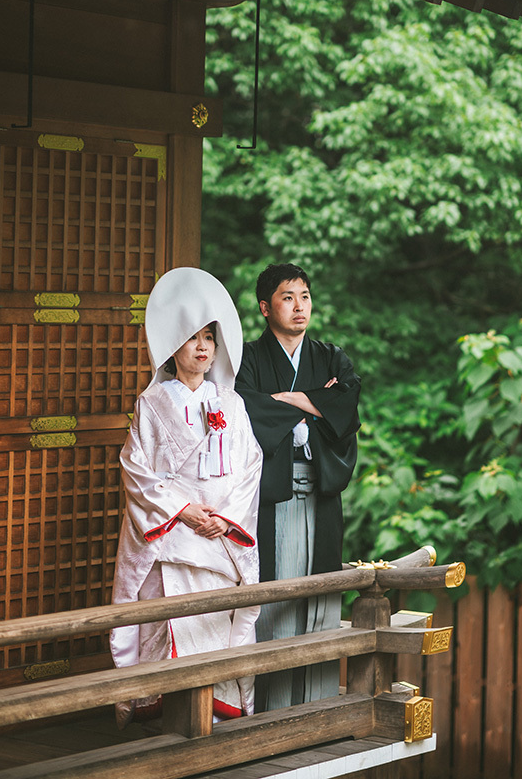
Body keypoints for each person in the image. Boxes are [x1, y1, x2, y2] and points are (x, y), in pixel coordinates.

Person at [110, 268, 263, 727]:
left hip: (219, 538)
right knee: (167, 625)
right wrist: (183, 509)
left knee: (213, 628)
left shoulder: (231, 404)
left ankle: (213, 721)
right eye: (192, 337)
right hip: (171, 538)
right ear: (173, 344)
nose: (202, 346)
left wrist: (228, 518)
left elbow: (250, 465)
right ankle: (162, 723)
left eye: (209, 337)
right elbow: (136, 469)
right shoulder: (151, 403)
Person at [235, 263, 360, 710]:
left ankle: (318, 710)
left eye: (304, 296)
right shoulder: (248, 357)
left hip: (322, 489)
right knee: (280, 598)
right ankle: (273, 714)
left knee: (322, 599)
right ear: (266, 307)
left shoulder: (331, 356)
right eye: (288, 297)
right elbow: (244, 406)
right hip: (275, 494)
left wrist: (283, 401)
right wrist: (313, 403)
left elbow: (347, 403)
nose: (299, 306)